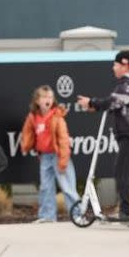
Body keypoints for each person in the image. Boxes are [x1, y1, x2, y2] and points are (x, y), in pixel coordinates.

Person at [76, 50, 129, 222]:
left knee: (121, 171)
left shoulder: (128, 84)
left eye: (116, 64)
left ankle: (125, 211)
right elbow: (119, 104)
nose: (113, 67)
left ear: (125, 66)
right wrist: (95, 106)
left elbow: (114, 101)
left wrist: (92, 102)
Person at [21, 85, 80, 223]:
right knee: (45, 187)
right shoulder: (33, 117)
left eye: (50, 97)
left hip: (58, 155)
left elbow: (64, 139)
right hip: (45, 156)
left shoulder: (56, 117)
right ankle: (47, 216)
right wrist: (26, 145)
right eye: (44, 97)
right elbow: (27, 133)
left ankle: (77, 214)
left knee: (67, 187)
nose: (48, 100)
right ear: (37, 101)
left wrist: (63, 160)